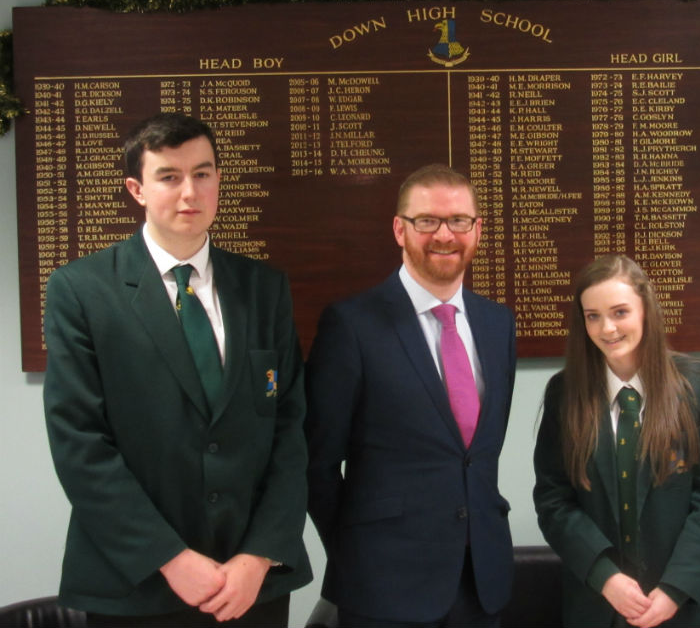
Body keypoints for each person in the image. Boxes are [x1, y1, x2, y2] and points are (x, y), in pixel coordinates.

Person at [43, 113, 312, 627]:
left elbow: (289, 430)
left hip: (250, 586)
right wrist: (170, 557)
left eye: (203, 173)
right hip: (138, 584)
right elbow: (80, 444)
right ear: (136, 189)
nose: (190, 191)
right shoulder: (81, 291)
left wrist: (259, 556)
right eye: (169, 176)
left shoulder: (263, 288)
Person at [305, 164, 517, 627]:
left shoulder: (498, 324)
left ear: (477, 229)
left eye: (459, 220)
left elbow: (478, 454)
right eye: (427, 221)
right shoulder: (351, 325)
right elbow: (316, 463)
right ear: (400, 229)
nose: (445, 234)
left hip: (481, 583)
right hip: (382, 587)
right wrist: (353, 554)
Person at [533, 254, 700, 628]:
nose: (607, 328)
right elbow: (553, 500)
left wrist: (675, 588)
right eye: (592, 316)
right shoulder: (565, 394)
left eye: (620, 312)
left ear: (646, 310)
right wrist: (605, 577)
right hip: (597, 606)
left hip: (685, 608)